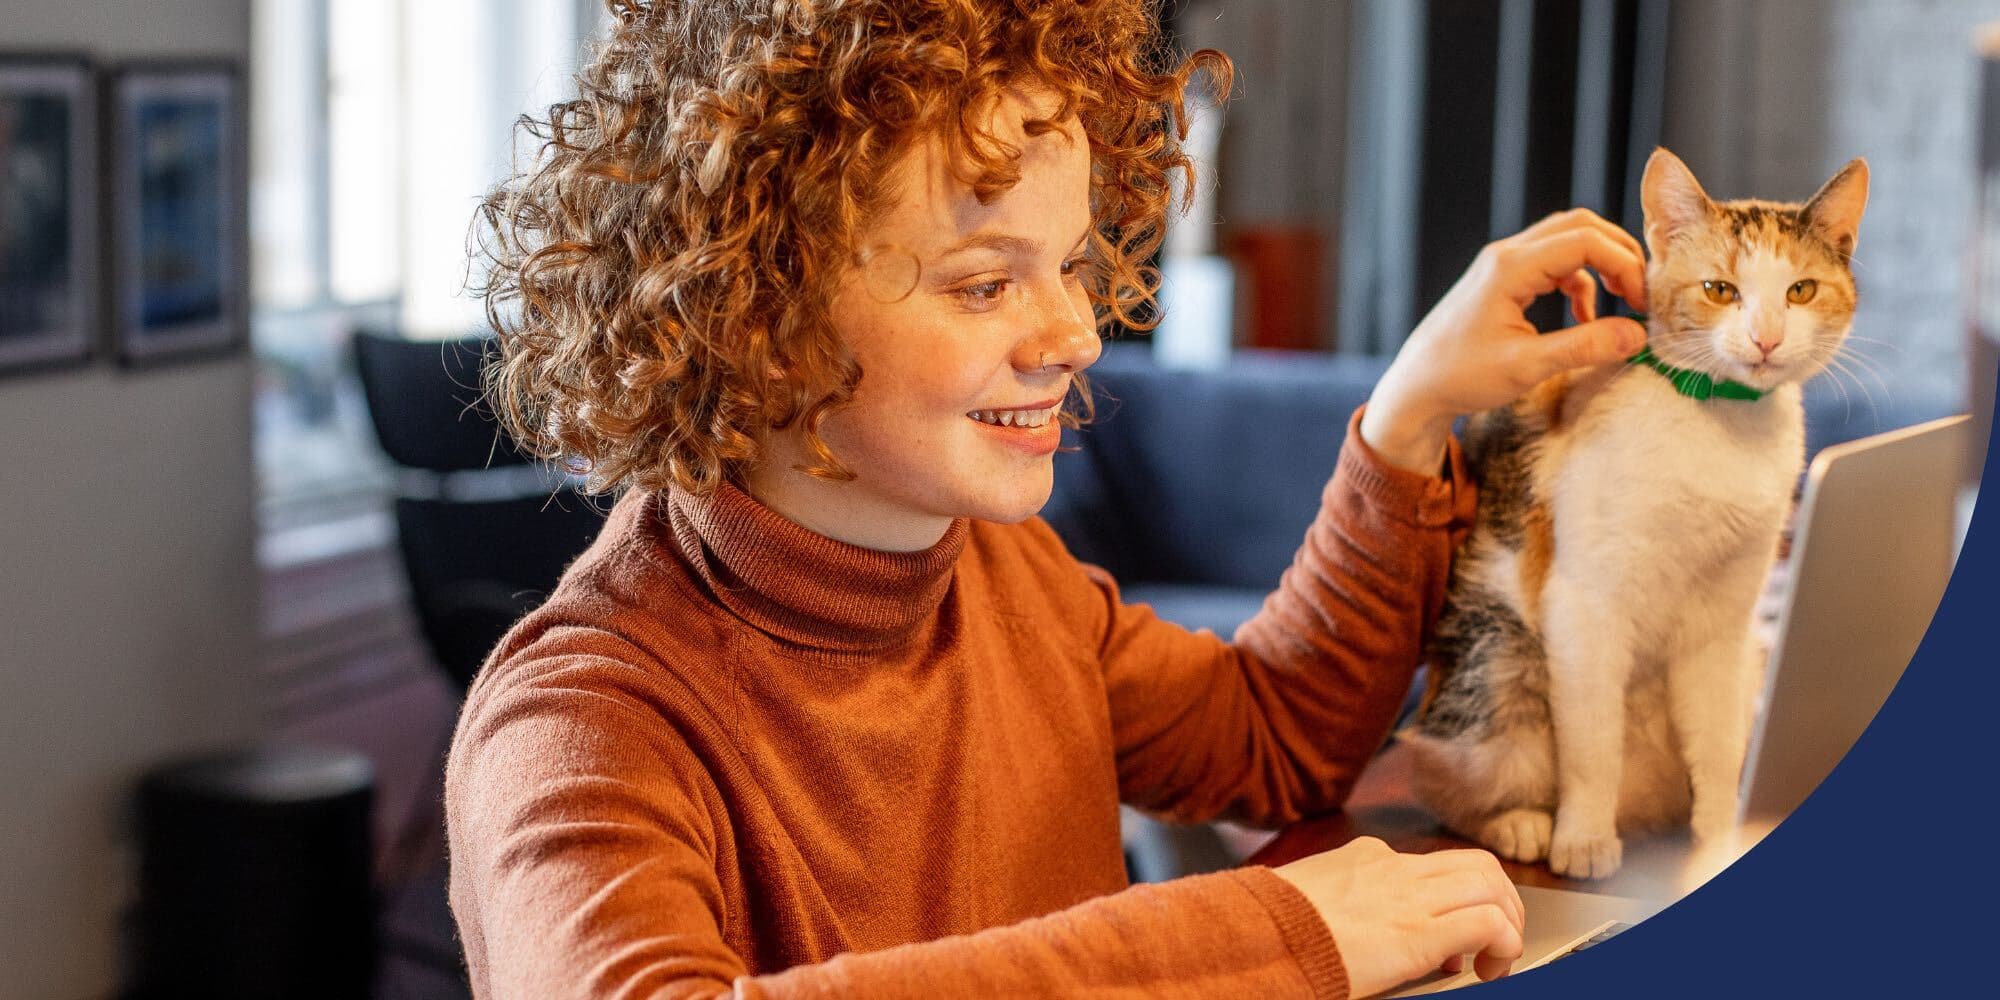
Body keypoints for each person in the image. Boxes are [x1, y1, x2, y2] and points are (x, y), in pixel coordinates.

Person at [448, 1, 1650, 997]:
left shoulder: (996, 571)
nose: (1076, 333)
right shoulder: (582, 718)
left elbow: (1274, 739)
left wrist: (1407, 415)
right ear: (756, 316)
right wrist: (1266, 939)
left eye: (1069, 264)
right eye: (984, 285)